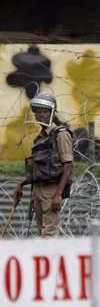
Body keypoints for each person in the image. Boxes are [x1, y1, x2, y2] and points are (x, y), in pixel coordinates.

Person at [13, 92, 74, 237]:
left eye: (44, 111)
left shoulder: (60, 134)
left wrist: (58, 195)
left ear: (52, 113)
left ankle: (52, 259)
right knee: (42, 233)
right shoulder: (39, 139)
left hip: (51, 190)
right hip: (38, 190)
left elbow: (68, 166)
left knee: (49, 234)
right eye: (37, 111)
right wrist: (22, 184)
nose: (40, 115)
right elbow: (40, 169)